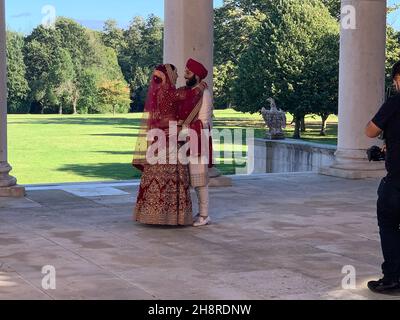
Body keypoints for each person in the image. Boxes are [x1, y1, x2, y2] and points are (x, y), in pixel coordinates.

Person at [132, 64, 207, 226]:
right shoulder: (170, 92)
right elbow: (190, 95)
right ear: (168, 75)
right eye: (175, 73)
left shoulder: (158, 92)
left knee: (156, 175)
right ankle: (172, 216)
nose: (178, 76)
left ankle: (150, 214)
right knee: (173, 176)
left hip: (159, 139)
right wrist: (201, 86)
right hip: (170, 137)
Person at [365, 61, 400, 293]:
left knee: (388, 226)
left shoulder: (395, 102)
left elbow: (370, 130)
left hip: (397, 183)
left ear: (397, 79)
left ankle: (393, 278)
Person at [178, 59, 214, 227]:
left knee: (199, 179)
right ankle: (197, 212)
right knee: (188, 179)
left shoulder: (204, 94)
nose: (185, 74)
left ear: (197, 76)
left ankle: (204, 215)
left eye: (188, 72)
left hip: (198, 139)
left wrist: (185, 129)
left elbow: (204, 121)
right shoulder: (188, 92)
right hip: (184, 139)